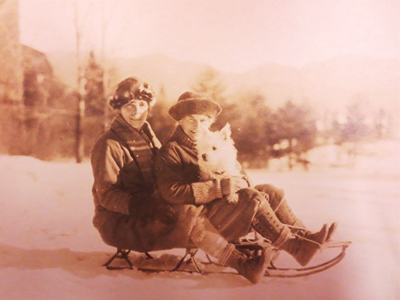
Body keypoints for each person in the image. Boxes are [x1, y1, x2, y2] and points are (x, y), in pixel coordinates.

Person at [90, 77, 269, 284]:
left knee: (194, 207)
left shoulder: (148, 137)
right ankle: (243, 264)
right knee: (186, 214)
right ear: (119, 108)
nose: (137, 111)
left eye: (142, 104)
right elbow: (107, 194)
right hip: (121, 222)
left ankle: (258, 245)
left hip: (152, 210)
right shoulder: (108, 145)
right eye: (130, 106)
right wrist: (148, 206)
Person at [155, 91, 336, 268]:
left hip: (225, 208)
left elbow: (240, 176)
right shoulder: (171, 151)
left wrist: (241, 182)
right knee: (252, 197)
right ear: (179, 121)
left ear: (210, 123)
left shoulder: (214, 143)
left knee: (269, 191)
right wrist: (220, 187)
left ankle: (306, 238)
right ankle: (295, 247)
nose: (197, 126)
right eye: (190, 119)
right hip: (205, 219)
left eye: (203, 120)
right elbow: (171, 192)